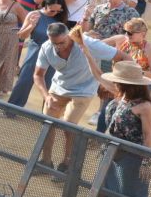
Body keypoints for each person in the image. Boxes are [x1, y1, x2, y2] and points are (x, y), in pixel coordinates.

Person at [86, 59, 151, 197]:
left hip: (131, 156)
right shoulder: (120, 94)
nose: (113, 84)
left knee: (133, 194)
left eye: (117, 81)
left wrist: (146, 162)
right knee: (101, 186)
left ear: (128, 84)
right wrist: (85, 50)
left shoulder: (145, 106)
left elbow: (148, 135)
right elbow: (97, 74)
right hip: (110, 152)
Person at [34, 23, 106, 167]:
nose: (58, 47)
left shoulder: (87, 43)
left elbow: (117, 46)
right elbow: (38, 75)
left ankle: (67, 164)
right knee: (48, 123)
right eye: (54, 43)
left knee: (69, 127)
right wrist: (46, 96)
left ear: (69, 36)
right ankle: (45, 161)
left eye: (62, 42)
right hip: (59, 88)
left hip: (83, 91)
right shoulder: (46, 47)